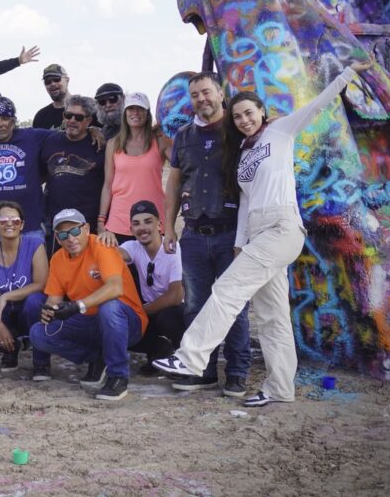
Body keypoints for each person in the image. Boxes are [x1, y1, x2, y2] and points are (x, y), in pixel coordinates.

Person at [154, 60, 373, 407]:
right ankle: (280, 387)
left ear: (261, 111)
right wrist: (241, 244)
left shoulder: (281, 131)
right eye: (239, 117)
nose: (244, 121)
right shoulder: (243, 152)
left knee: (227, 289)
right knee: (272, 317)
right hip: (256, 232)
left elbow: (320, 102)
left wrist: (348, 73)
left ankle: (191, 357)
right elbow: (245, 202)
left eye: (248, 113)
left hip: (282, 227)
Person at [160, 72, 250, 396]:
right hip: (194, 233)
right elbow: (174, 182)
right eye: (195, 95)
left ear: (220, 93)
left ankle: (237, 372)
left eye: (206, 92)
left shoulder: (239, 130)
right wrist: (169, 227)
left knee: (234, 307)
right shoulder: (184, 136)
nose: (201, 99)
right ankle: (204, 370)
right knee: (195, 305)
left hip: (232, 235)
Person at [30, 209, 147, 400]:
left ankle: (117, 377)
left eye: (75, 231)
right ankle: (97, 358)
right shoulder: (58, 259)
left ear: (86, 229)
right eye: (63, 234)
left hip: (126, 321)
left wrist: (77, 305)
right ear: (58, 239)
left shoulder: (102, 245)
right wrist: (49, 311)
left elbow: (115, 288)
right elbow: (54, 300)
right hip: (89, 321)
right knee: (39, 332)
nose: (71, 238)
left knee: (109, 307)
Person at [0, 201, 49, 373]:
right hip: (4, 315)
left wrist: (5, 296)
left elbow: (41, 284)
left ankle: (41, 361)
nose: (9, 223)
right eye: (3, 220)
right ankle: (11, 348)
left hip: (28, 311)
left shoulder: (35, 245)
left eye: (15, 220)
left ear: (21, 225)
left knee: (35, 301)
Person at [0, 97, 51, 246]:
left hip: (31, 228)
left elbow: (66, 136)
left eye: (5, 118)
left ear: (13, 120)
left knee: (36, 269)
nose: (0, 124)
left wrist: (92, 130)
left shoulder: (33, 137)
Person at [117, 200, 185, 374]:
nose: (142, 228)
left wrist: (141, 310)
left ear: (159, 224)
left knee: (169, 317)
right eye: (136, 224)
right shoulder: (132, 247)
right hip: (149, 310)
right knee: (123, 325)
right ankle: (158, 352)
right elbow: (112, 258)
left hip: (174, 310)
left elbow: (175, 295)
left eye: (148, 221)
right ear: (131, 230)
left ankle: (183, 360)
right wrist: (106, 241)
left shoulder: (172, 248)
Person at [98, 93, 172, 248]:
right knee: (124, 272)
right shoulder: (113, 144)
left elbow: (183, 166)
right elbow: (108, 184)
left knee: (155, 271)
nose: (135, 113)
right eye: (131, 108)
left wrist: (170, 130)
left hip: (154, 221)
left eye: (140, 109)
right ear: (125, 112)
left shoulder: (160, 140)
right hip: (119, 222)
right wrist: (101, 221)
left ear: (148, 113)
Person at [41, 95, 105, 254]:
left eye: (79, 117)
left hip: (87, 223)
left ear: (89, 121)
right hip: (56, 224)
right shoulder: (50, 140)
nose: (72, 120)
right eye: (68, 115)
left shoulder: (100, 144)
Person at [32, 64, 70, 130]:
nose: (52, 84)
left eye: (56, 79)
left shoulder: (86, 108)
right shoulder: (41, 116)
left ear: (67, 80)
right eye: (47, 82)